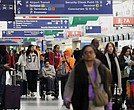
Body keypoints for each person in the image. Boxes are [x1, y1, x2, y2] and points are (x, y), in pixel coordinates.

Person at [64, 45, 112, 110]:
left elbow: (106, 85)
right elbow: (70, 84)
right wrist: (67, 97)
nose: (88, 54)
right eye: (86, 52)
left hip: (97, 101)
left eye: (91, 52)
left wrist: (108, 102)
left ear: (95, 54)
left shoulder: (101, 68)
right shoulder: (78, 68)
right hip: (81, 102)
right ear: (83, 55)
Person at [0, 45, 10, 109]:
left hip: (2, 73)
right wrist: (3, 66)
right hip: (1, 73)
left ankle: (3, 103)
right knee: (1, 88)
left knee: (2, 88)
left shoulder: (4, 55)